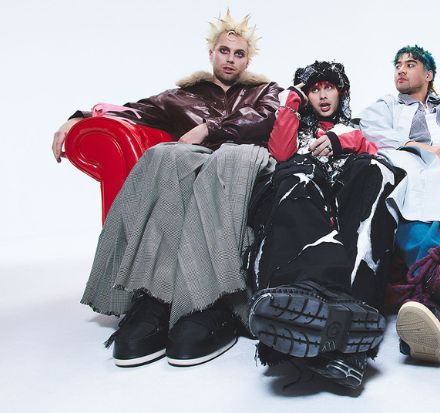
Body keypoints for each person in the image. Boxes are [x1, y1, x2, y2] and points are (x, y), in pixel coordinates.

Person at [51, 10, 281, 367]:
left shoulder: (264, 91)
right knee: (165, 155)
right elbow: (130, 111)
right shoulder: (179, 97)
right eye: (224, 51)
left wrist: (209, 129)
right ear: (211, 52)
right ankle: (154, 297)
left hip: (244, 162)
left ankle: (214, 301)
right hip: (196, 164)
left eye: (239, 54)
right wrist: (79, 118)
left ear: (247, 60)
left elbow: (266, 118)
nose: (230, 59)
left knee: (227, 160)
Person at [245, 61, 398, 389]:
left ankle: (355, 310)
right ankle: (307, 297)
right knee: (297, 172)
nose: (323, 95)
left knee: (377, 171)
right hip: (306, 197)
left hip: (344, 199)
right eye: (314, 90)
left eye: (329, 87)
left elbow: (372, 153)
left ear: (341, 92)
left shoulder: (352, 129)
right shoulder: (296, 125)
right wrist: (293, 100)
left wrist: (341, 141)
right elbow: (280, 153)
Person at [359, 45, 440, 364]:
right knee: (410, 205)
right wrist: (420, 147)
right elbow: (372, 132)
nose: (400, 69)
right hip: (410, 166)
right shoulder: (386, 106)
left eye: (410, 64)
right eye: (397, 65)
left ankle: (431, 301)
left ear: (428, 74)